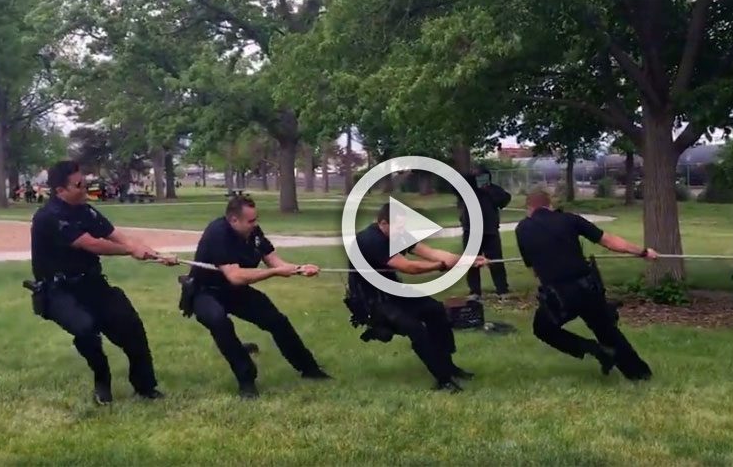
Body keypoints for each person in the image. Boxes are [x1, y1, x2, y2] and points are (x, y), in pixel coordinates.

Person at [30, 160, 176, 405]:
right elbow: (91, 244)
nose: (85, 188)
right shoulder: (49, 217)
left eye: (84, 182)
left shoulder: (86, 211)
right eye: (79, 185)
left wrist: (155, 254)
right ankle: (102, 378)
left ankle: (145, 387)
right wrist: (130, 251)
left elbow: (117, 236)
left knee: (131, 327)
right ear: (60, 190)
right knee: (85, 329)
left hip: (92, 284)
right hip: (58, 291)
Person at [184, 195, 329, 399]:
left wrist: (300, 268)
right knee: (219, 321)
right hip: (205, 291)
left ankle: (309, 369)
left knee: (277, 321)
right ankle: (246, 380)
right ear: (234, 220)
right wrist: (275, 273)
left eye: (256, 219)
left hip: (233, 291)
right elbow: (235, 276)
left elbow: (274, 260)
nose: (255, 224)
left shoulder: (253, 233)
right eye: (250, 221)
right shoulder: (218, 233)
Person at [343, 203, 486, 393]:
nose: (402, 231)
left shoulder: (398, 234)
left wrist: (468, 260)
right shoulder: (370, 240)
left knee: (436, 311)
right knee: (415, 328)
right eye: (398, 227)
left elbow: (433, 253)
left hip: (393, 290)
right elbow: (409, 267)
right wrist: (440, 266)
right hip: (372, 300)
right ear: (383, 224)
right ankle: (443, 379)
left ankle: (448, 366)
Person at [514, 190, 656, 380]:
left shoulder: (522, 229)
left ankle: (594, 350)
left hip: (559, 295)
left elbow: (534, 270)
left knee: (543, 328)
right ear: (550, 205)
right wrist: (643, 252)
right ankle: (640, 375)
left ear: (529, 208)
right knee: (606, 330)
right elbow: (608, 241)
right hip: (587, 288)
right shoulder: (569, 219)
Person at [457, 165, 512, 301]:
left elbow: (504, 200)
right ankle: (475, 291)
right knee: (472, 261)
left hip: (490, 230)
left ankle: (502, 289)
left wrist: (488, 190)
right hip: (471, 231)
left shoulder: (493, 190)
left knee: (495, 261)